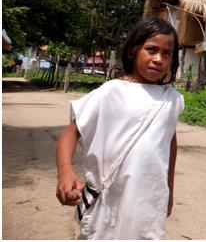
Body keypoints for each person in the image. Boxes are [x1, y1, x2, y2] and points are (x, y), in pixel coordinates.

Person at [55, 17, 184, 239]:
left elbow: (169, 143)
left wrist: (169, 191)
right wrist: (65, 171)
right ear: (134, 50)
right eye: (151, 49)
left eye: (166, 53)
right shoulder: (111, 92)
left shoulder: (172, 100)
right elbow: (71, 132)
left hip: (149, 201)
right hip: (107, 200)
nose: (158, 59)